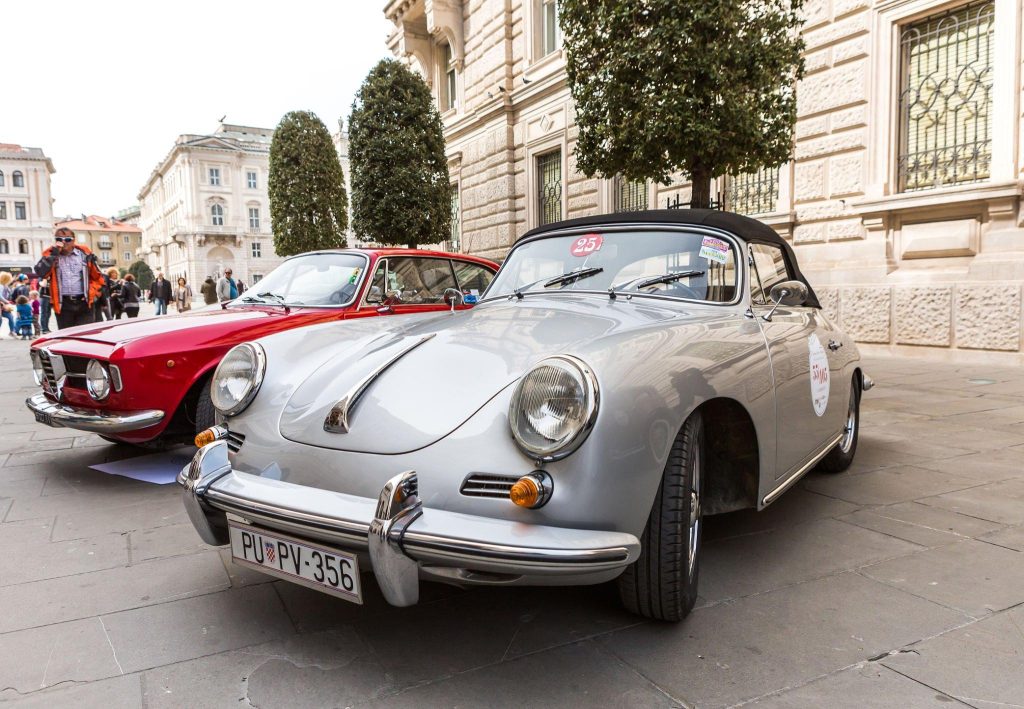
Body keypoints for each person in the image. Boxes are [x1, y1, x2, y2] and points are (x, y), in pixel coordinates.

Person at [34, 227, 105, 330]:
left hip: (84, 302)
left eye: (67, 239)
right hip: (63, 304)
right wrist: (54, 255)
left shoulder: (85, 255)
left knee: (85, 335)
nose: (63, 242)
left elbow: (98, 277)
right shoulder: (51, 255)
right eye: (59, 239)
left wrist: (93, 293)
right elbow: (41, 272)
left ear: (73, 240)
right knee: (67, 337)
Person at [0, 272, 17, 337]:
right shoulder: (1, 286)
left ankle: (12, 331)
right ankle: (12, 331)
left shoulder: (5, 286)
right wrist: (7, 301)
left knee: (10, 317)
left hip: (3, 304)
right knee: (0, 319)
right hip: (2, 304)